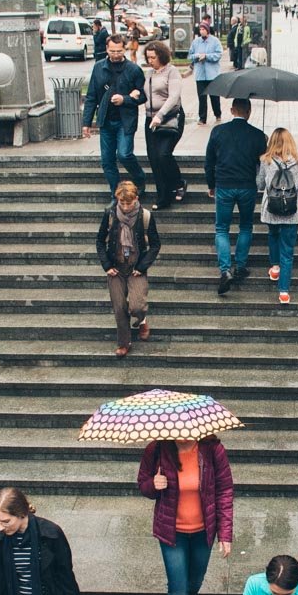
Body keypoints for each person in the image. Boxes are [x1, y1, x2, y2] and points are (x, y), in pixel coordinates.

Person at [138, 435, 234, 595]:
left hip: (204, 532)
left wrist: (225, 533)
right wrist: (153, 484)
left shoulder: (212, 449)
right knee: (178, 592)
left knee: (195, 581)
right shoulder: (157, 449)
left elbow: (224, 490)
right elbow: (142, 484)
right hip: (172, 533)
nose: (182, 437)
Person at [206, 98, 268, 295]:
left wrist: (211, 185)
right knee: (246, 226)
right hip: (247, 186)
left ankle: (225, 270)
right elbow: (263, 163)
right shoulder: (258, 135)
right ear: (249, 112)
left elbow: (209, 161)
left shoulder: (218, 131)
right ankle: (240, 266)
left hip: (224, 185)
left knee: (221, 228)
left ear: (232, 110)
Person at [96, 181, 160, 358]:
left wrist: (142, 266)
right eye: (121, 203)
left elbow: (155, 245)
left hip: (135, 268)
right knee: (119, 307)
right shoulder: (110, 214)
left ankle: (142, 320)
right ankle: (124, 343)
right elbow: (100, 241)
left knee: (137, 306)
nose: (125, 207)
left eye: (128, 203)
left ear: (136, 199)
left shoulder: (145, 216)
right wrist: (107, 265)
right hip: (116, 267)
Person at [82, 35, 147, 195]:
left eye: (119, 51)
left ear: (125, 49)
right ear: (106, 49)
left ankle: (139, 178)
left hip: (125, 121)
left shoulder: (133, 70)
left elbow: (143, 96)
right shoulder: (99, 68)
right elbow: (91, 96)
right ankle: (116, 193)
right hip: (105, 120)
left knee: (124, 154)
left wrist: (125, 99)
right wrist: (86, 123)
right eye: (112, 51)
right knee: (107, 160)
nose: (116, 54)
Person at [257, 127, 298, 305]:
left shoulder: (265, 160)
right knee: (288, 252)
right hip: (291, 211)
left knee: (273, 234)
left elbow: (260, 185)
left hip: (271, 208)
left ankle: (275, 266)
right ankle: (284, 292)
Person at [142, 40, 186, 210]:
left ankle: (179, 182)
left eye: (153, 57)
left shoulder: (172, 71)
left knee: (163, 154)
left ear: (161, 56)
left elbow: (174, 96)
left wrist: (160, 115)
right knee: (154, 158)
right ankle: (163, 196)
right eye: (148, 57)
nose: (150, 60)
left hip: (170, 118)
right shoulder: (149, 73)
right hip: (151, 119)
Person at [187, 23, 223, 125]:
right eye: (200, 29)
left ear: (207, 30)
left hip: (212, 74)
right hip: (200, 75)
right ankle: (202, 118)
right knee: (202, 97)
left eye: (203, 29)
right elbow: (190, 55)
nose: (201, 31)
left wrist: (207, 56)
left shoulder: (215, 41)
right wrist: (197, 56)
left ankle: (217, 114)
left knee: (214, 96)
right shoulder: (196, 42)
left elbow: (218, 54)